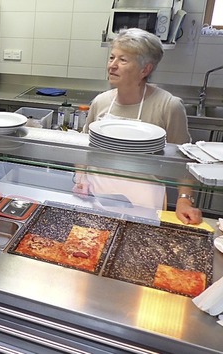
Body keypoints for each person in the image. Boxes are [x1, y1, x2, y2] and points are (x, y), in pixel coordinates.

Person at [79, 28, 202, 224]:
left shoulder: (168, 105)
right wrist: (81, 178)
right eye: (112, 58)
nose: (112, 65)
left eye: (123, 60)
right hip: (97, 198)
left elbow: (184, 161)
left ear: (146, 69)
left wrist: (184, 200)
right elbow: (84, 149)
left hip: (144, 203)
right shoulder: (100, 102)